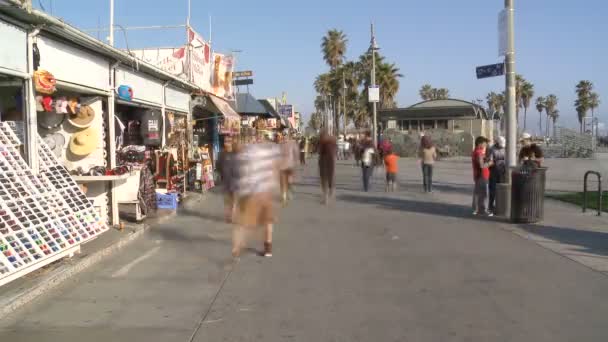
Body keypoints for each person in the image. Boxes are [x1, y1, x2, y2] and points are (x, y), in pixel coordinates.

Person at [232, 138, 281, 258]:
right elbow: (275, 171)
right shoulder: (270, 152)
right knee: (268, 222)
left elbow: (243, 176)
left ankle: (237, 248)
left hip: (252, 192)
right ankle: (268, 249)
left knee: (242, 222)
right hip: (267, 192)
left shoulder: (246, 154)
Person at [472, 136, 493, 216]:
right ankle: (482, 210)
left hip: (479, 175)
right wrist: (490, 163)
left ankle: (476, 209)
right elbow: (482, 165)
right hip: (482, 175)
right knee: (483, 193)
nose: (485, 145)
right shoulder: (479, 152)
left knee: (478, 192)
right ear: (480, 143)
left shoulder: (476, 151)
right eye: (484, 143)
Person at [219, 140, 239, 223]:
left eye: (229, 142)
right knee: (227, 200)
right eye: (225, 141)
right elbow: (218, 166)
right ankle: (228, 215)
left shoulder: (236, 154)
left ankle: (232, 215)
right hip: (226, 181)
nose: (226, 143)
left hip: (235, 181)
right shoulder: (222, 154)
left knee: (234, 200)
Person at [487, 136, 506, 214]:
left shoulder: (505, 149)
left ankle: (499, 206)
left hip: (502, 171)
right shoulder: (492, 149)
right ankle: (490, 206)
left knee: (501, 189)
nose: (501, 146)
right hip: (494, 171)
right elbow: (490, 160)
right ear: (497, 142)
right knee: (493, 190)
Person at [318, 130, 337, 204]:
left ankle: (326, 196)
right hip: (330, 160)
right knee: (330, 177)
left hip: (324, 161)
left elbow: (319, 151)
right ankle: (331, 191)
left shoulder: (322, 141)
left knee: (324, 178)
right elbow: (335, 150)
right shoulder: (332, 140)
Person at [279, 137, 299, 205]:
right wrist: (296, 161)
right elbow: (296, 154)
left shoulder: (280, 144)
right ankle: (288, 193)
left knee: (283, 181)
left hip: (282, 165)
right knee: (289, 180)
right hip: (290, 164)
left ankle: (284, 196)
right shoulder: (292, 143)